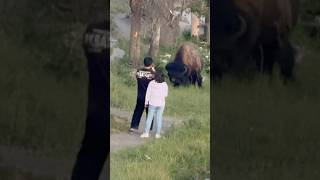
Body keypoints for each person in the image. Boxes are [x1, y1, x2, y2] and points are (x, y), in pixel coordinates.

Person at [71, 20, 108, 180]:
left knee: (89, 159)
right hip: (104, 108)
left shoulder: (93, 29)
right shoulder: (105, 31)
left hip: (95, 106)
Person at [129, 57, 155, 133]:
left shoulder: (138, 71)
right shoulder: (152, 74)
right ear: (151, 64)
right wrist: (153, 71)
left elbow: (137, 77)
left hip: (140, 96)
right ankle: (148, 128)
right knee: (150, 112)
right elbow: (158, 79)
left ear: (144, 63)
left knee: (137, 111)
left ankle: (133, 127)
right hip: (150, 97)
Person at [140, 70, 168, 138]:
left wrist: (146, 102)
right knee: (159, 119)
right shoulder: (165, 84)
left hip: (152, 103)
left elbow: (148, 93)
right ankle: (158, 134)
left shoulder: (151, 83)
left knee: (149, 118)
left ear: (155, 76)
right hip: (161, 104)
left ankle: (146, 133)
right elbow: (165, 95)